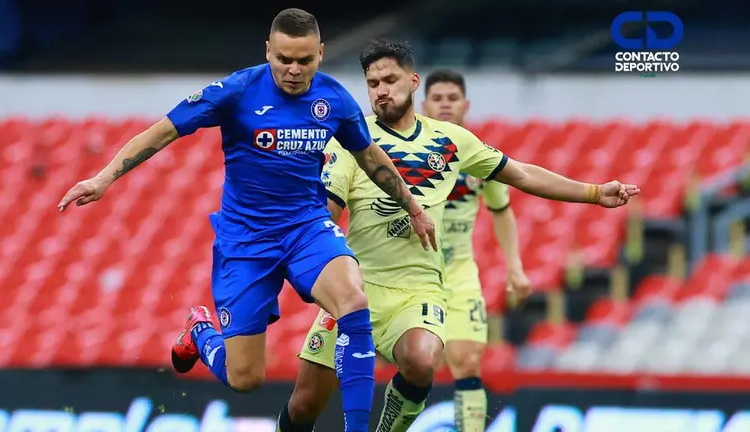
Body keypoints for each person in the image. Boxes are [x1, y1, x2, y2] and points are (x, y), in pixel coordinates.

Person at [56, 10, 437, 432]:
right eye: (284, 59)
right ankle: (201, 331)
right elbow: (164, 130)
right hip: (246, 243)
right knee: (246, 379)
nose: (294, 70)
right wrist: (105, 176)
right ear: (268, 51)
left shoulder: (335, 100)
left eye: (305, 60)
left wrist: (413, 207)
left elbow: (370, 158)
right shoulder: (236, 91)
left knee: (353, 302)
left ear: (321, 54)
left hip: (306, 228)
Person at [275, 39, 640, 432]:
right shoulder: (352, 140)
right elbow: (325, 213)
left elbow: (519, 173)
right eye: (372, 83)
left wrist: (592, 192)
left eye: (390, 80)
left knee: (421, 358)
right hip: (353, 290)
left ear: (413, 81)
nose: (381, 90)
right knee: (304, 405)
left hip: (418, 291)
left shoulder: (450, 140)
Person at [422, 69, 531, 431]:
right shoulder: (405, 151)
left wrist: (515, 267)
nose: (445, 105)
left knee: (467, 360)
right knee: (419, 362)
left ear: (465, 105)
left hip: (459, 273)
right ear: (424, 105)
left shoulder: (482, 159)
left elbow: (502, 211)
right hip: (412, 273)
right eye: (437, 98)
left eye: (452, 98)